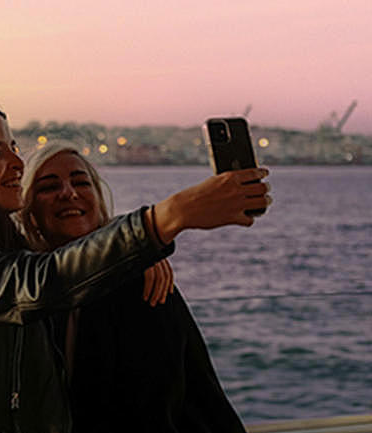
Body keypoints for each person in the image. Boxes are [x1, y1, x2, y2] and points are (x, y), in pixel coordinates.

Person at [0, 90, 270, 433]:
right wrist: (167, 219)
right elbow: (38, 283)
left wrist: (136, 255)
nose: (17, 160)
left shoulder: (7, 259)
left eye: (13, 146)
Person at [17, 141, 243, 432]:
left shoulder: (141, 284)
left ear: (98, 200)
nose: (69, 193)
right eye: (48, 187)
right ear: (28, 208)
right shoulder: (20, 288)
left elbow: (167, 403)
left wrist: (138, 253)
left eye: (81, 182)